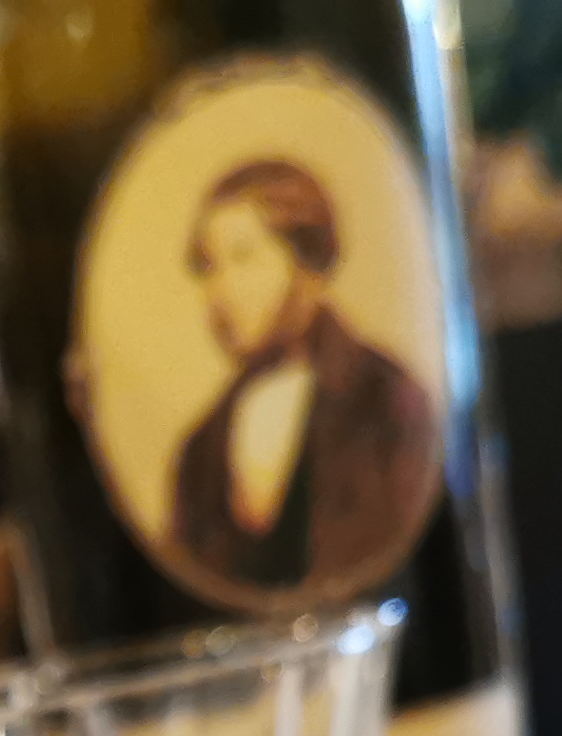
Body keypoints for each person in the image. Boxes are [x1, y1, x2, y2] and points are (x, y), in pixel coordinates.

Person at [165, 157, 440, 608]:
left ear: (306, 259)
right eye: (210, 266)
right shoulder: (200, 450)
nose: (221, 291)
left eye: (243, 257)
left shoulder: (388, 401)